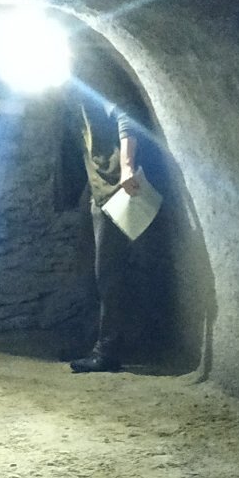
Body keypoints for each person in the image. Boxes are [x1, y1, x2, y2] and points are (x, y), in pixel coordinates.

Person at [68, 76, 148, 373]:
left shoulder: (95, 77)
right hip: (96, 186)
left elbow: (127, 118)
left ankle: (108, 351)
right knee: (88, 267)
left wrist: (126, 168)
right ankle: (92, 341)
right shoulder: (71, 88)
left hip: (115, 189)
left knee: (109, 272)